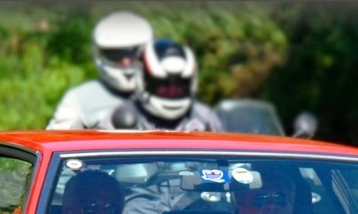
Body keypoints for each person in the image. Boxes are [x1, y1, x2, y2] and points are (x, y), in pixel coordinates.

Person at [46, 12, 153, 130]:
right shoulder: (79, 98)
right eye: (116, 54)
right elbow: (56, 141)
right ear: (100, 54)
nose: (126, 61)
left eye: (133, 53)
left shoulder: (168, 91)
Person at [96, 38, 224, 133]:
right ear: (142, 80)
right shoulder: (120, 118)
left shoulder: (205, 119)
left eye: (179, 86)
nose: (171, 91)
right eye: (162, 86)